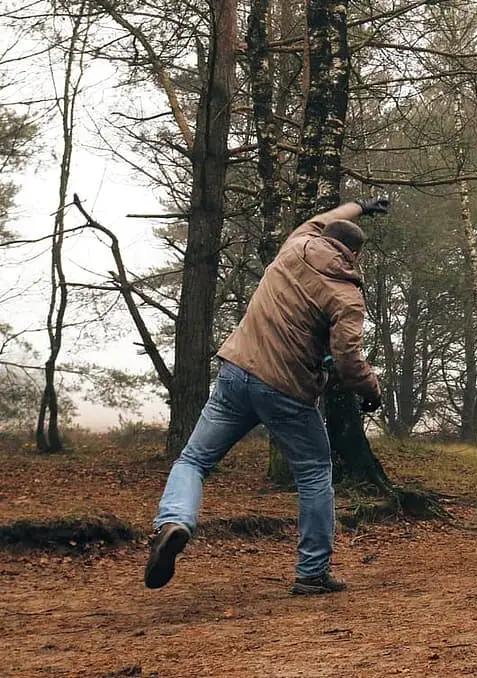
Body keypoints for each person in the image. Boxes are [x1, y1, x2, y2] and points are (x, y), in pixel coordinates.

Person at [144, 197, 389, 595]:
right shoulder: (347, 297)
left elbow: (322, 218)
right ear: (356, 254)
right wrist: (371, 389)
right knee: (313, 473)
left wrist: (359, 205)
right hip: (287, 390)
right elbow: (347, 359)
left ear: (325, 235)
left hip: (236, 372)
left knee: (193, 459)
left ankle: (175, 521)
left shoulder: (296, 244)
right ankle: (312, 573)